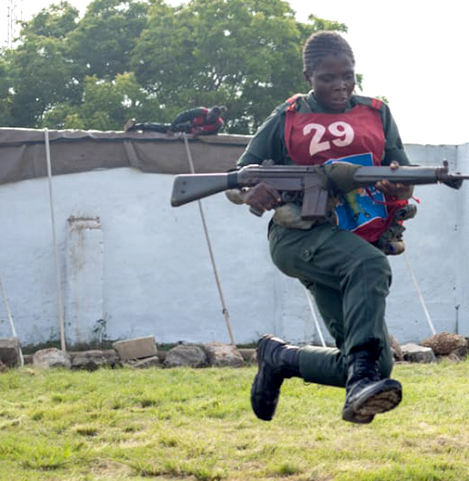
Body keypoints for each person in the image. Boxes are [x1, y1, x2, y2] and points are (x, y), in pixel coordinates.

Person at [232, 31, 414, 424]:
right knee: (370, 266)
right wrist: (255, 190)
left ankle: (279, 359)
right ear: (308, 75)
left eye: (347, 76)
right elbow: (238, 175)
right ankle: (358, 380)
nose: (340, 86)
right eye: (327, 78)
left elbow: (403, 170)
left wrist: (400, 184)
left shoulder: (377, 113)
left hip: (349, 243)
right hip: (298, 238)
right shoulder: (288, 117)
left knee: (376, 367)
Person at [125, 106, 227, 136]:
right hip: (189, 127)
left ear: (216, 117)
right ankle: (135, 127)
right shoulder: (199, 112)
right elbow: (181, 116)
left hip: (197, 134)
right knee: (162, 127)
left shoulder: (218, 124)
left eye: (212, 117)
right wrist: (171, 128)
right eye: (209, 115)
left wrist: (201, 133)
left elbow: (213, 136)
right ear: (208, 112)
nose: (209, 118)